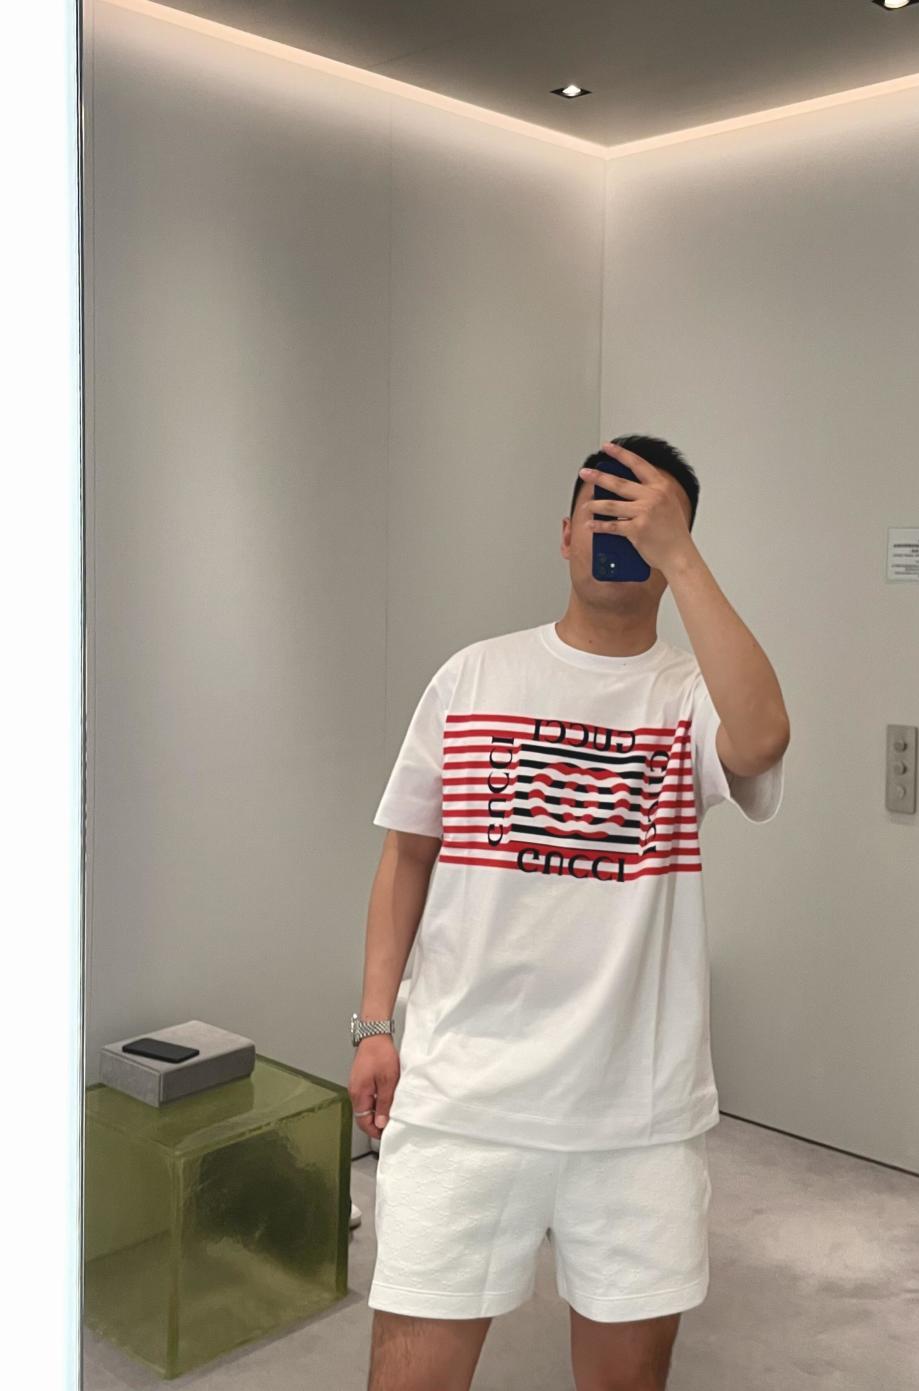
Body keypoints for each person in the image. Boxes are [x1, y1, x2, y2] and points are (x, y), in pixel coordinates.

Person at [351, 434, 790, 1391]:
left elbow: (762, 739)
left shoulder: (692, 696)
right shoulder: (472, 676)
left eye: (645, 519)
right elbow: (407, 852)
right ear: (563, 535)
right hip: (463, 1096)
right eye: (602, 511)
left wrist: (683, 558)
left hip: (638, 1113)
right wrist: (375, 1023)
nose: (619, 533)